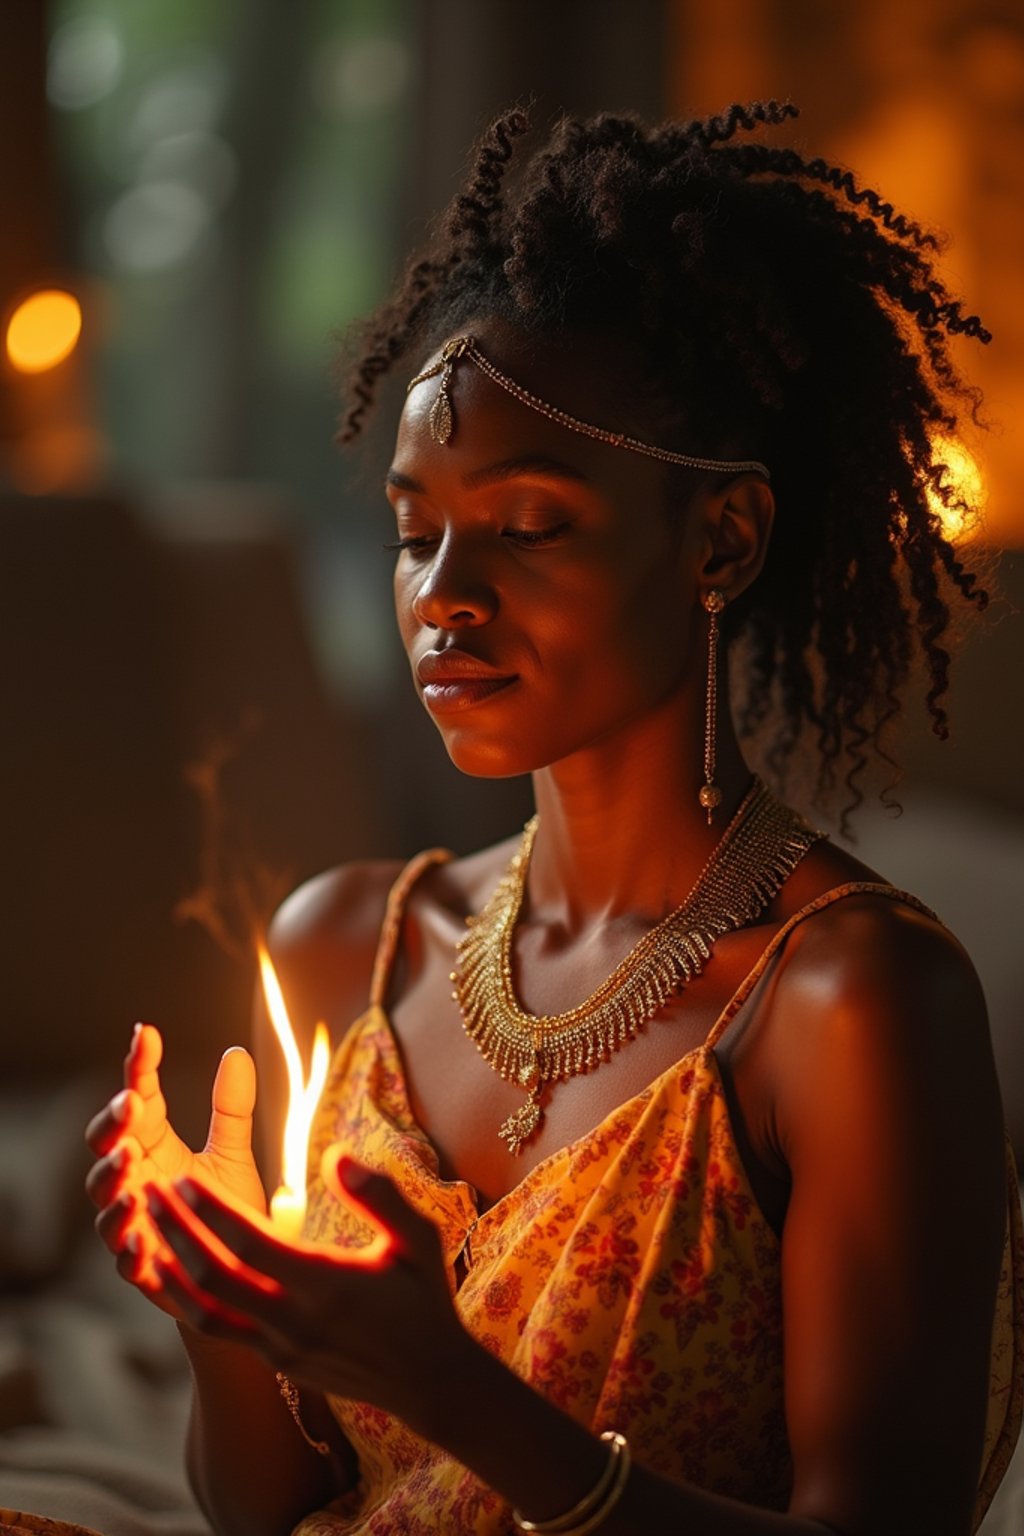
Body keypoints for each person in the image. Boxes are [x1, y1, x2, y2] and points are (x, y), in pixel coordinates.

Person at [85, 101, 1022, 1536]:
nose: (443, 597)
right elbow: (269, 1516)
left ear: (722, 539)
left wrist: (454, 1391)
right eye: (414, 533)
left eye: (525, 528)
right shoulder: (352, 951)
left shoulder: (852, 1004)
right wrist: (219, 1305)